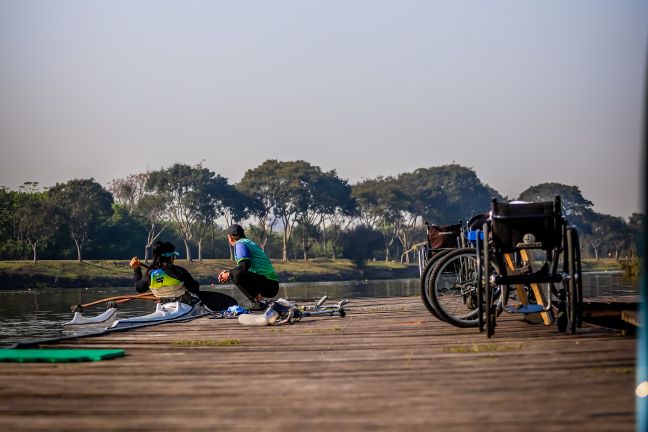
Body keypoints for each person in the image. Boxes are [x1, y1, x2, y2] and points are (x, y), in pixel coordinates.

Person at [218, 224, 279, 310]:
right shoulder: (249, 242)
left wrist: (229, 274)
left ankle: (259, 303)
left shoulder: (239, 244)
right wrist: (229, 273)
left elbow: (243, 267)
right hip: (271, 285)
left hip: (268, 284)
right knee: (234, 274)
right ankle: (260, 302)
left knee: (236, 275)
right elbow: (243, 267)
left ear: (230, 237)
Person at [129, 241, 199, 305]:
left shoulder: (150, 273)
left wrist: (136, 268)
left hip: (162, 305)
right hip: (182, 305)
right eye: (174, 256)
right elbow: (194, 289)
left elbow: (139, 288)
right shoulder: (179, 271)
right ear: (171, 257)